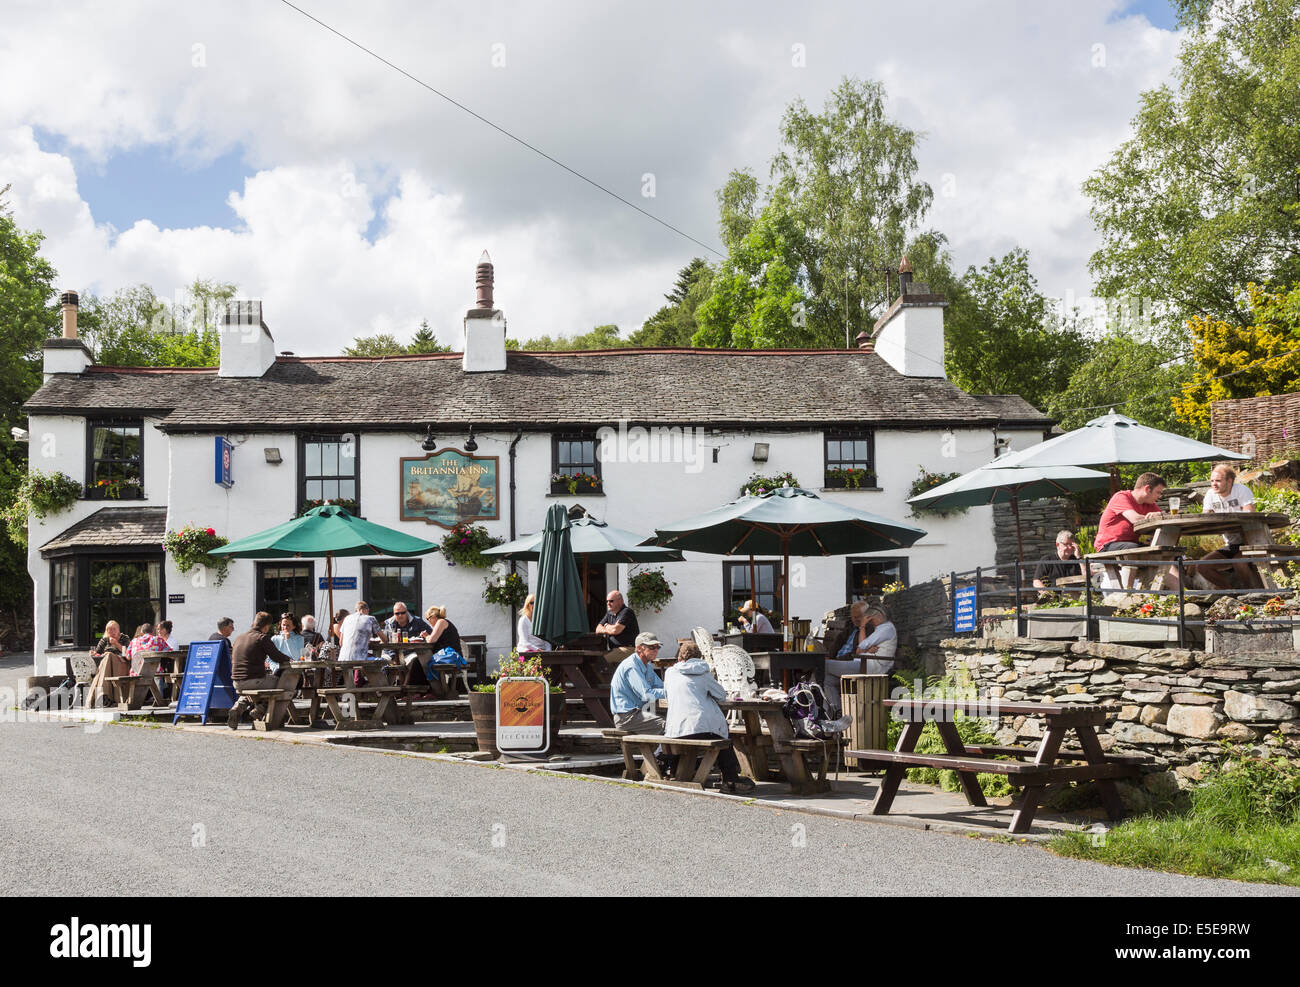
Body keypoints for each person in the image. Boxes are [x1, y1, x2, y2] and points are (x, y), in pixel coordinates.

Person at [663, 643, 754, 793]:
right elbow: (721, 695)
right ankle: (730, 779)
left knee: (711, 733)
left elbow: (667, 695)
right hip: (700, 726)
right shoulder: (703, 673)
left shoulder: (670, 673)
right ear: (699, 657)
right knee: (723, 740)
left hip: (675, 728)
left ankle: (673, 771)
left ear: (679, 657)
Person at [1095, 472, 1169, 588]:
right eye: (1158, 492)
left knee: (1167, 552)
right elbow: (1134, 519)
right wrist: (1157, 516)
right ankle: (1127, 595)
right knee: (1135, 550)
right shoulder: (1121, 497)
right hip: (1107, 545)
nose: (1159, 496)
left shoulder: (1149, 504)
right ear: (1147, 489)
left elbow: (1164, 519)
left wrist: (1159, 516)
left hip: (1130, 545)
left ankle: (1180, 593)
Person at [227, 612, 299, 728]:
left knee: (255, 686)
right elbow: (276, 656)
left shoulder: (239, 638)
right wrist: (289, 660)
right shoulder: (261, 638)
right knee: (284, 685)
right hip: (254, 680)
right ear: (266, 626)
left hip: (237, 682)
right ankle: (260, 710)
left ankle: (237, 708)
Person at [1198, 464, 1264, 590]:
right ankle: (1230, 592)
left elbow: (1250, 514)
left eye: (1218, 480)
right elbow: (1206, 518)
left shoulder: (1241, 490)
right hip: (1231, 545)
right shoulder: (1210, 494)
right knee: (1202, 566)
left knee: (1238, 562)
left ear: (1229, 481)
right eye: (1212, 481)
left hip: (1250, 542)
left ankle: (1251, 594)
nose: (1214, 484)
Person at [823, 603, 897, 711]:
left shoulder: (880, 629)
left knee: (821, 665)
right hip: (857, 662)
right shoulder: (853, 627)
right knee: (827, 679)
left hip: (865, 666)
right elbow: (850, 646)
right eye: (853, 616)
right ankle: (837, 713)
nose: (855, 619)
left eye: (858, 617)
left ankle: (814, 705)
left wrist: (862, 628)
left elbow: (859, 649)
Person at [609, 631, 667, 733]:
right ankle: (662, 749)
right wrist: (670, 692)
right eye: (652, 647)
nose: (656, 650)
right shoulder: (631, 666)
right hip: (626, 717)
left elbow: (660, 686)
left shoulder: (647, 666)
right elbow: (646, 694)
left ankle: (661, 749)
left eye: (658, 647)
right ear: (639, 648)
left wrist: (673, 690)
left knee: (675, 721)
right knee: (669, 725)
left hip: (639, 713)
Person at [85, 620, 129, 707]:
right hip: (106, 665)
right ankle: (104, 696)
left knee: (108, 655)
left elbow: (127, 653)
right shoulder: (104, 640)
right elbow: (97, 653)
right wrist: (93, 653)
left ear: (118, 629)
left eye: (114, 629)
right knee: (107, 657)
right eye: (109, 630)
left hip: (121, 664)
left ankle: (101, 693)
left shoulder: (124, 638)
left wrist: (116, 643)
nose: (112, 632)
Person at [596, 590, 640, 665]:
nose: (608, 604)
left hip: (627, 649)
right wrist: (610, 628)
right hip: (615, 649)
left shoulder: (627, 612)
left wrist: (607, 626)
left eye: (611, 601)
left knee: (601, 662)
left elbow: (616, 630)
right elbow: (598, 629)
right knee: (594, 659)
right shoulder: (609, 613)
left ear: (620, 601)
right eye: (607, 601)